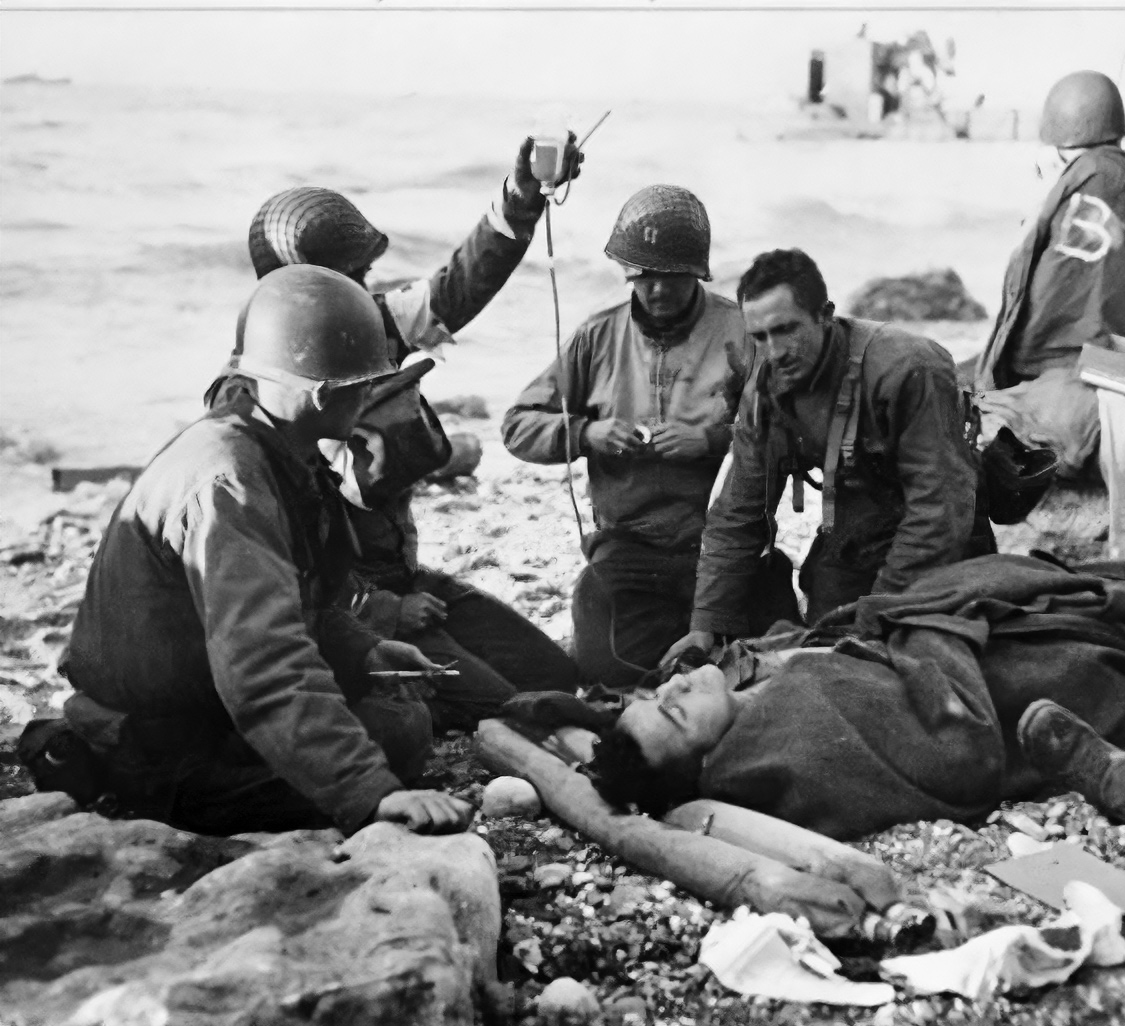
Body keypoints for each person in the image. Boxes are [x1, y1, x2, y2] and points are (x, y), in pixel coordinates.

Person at [30, 266, 473, 837]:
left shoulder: (274, 449)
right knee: (395, 740)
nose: (369, 396)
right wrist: (372, 795)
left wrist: (366, 651)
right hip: (154, 742)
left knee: (402, 721)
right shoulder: (231, 482)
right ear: (320, 394)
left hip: (199, 706)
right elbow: (263, 663)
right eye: (363, 385)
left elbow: (298, 609)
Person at [214, 138, 585, 727]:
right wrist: (379, 609)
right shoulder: (249, 402)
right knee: (502, 710)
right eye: (351, 277)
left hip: (404, 578)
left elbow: (458, 286)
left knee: (553, 678)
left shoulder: (373, 324)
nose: (364, 290)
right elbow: (277, 564)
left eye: (363, 276)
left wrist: (522, 200)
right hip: (345, 608)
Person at [566, 549, 1125, 866]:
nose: (676, 687)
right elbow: (959, 748)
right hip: (999, 680)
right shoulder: (786, 746)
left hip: (948, 641)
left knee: (1087, 584)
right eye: (676, 714)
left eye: (657, 693)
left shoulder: (751, 685)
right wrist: (927, 632)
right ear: (707, 760)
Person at [501, 185, 796, 689]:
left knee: (782, 663)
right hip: (630, 550)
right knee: (615, 678)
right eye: (645, 275)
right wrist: (586, 433)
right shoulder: (596, 338)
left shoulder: (742, 332)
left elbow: (790, 432)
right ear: (627, 272)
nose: (657, 289)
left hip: (731, 544)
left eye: (672, 277)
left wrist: (712, 440)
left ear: (697, 273)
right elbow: (517, 425)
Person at [662, 247, 994, 666]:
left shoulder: (910, 368)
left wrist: (877, 615)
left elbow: (940, 509)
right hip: (855, 535)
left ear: (825, 314)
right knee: (823, 649)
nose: (774, 350)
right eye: (760, 337)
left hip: (945, 538)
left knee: (914, 657)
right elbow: (737, 514)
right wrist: (705, 625)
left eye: (786, 329)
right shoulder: (765, 393)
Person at [972, 71, 1125, 475]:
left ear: (1056, 140)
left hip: (1078, 365)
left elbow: (1034, 322)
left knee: (972, 386)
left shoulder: (1085, 179)